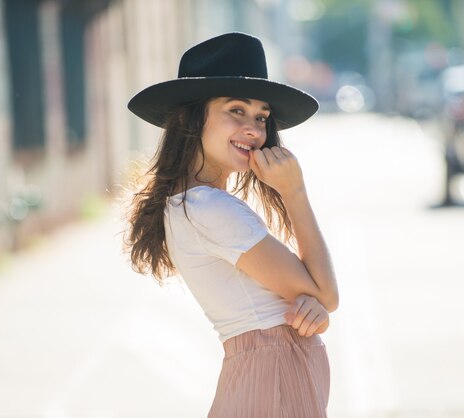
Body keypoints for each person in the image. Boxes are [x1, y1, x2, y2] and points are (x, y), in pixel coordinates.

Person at [125, 32, 339, 417]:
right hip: (272, 381)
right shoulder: (208, 207)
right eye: (235, 111)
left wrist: (311, 306)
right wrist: (295, 192)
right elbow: (327, 294)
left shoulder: (195, 202)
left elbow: (316, 299)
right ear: (193, 118)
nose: (254, 130)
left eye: (261, 117)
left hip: (269, 378)